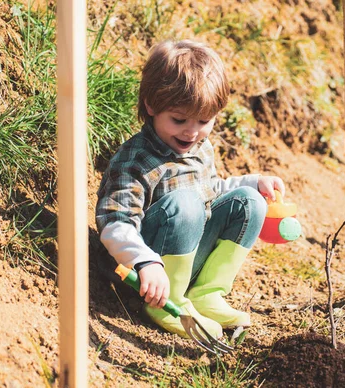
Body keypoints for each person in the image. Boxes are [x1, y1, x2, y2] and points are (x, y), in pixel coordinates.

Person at [96, 39, 285, 339]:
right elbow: (114, 222)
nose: (192, 131)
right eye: (179, 119)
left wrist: (252, 183)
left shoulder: (199, 147)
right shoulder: (135, 161)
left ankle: (205, 294)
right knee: (186, 203)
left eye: (204, 121)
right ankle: (168, 304)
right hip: (146, 276)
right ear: (150, 106)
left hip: (188, 257)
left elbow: (209, 191)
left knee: (250, 202)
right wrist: (145, 261)